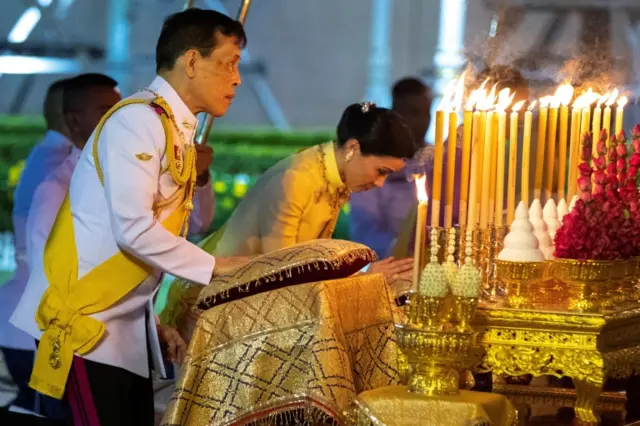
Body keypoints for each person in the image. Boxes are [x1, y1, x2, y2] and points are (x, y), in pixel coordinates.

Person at [14, 9, 246, 426]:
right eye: (229, 63)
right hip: (88, 322)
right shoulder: (138, 119)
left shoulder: (172, 126)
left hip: (122, 327)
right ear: (192, 61)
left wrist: (151, 322)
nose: (237, 79)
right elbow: (133, 231)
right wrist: (217, 268)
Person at [203, 102, 417, 280]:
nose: (380, 183)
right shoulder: (296, 179)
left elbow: (311, 262)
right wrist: (364, 278)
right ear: (353, 148)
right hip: (218, 297)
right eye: (381, 171)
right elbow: (281, 273)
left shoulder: (331, 177)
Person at [0, 78, 72, 414]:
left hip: (29, 323)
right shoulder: (55, 166)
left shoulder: (51, 159)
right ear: (72, 116)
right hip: (38, 328)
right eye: (103, 108)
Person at [349, 77, 461, 258]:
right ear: (395, 114)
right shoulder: (371, 164)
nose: (421, 121)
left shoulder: (441, 160)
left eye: (426, 113)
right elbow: (365, 233)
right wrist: (405, 249)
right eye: (413, 113)